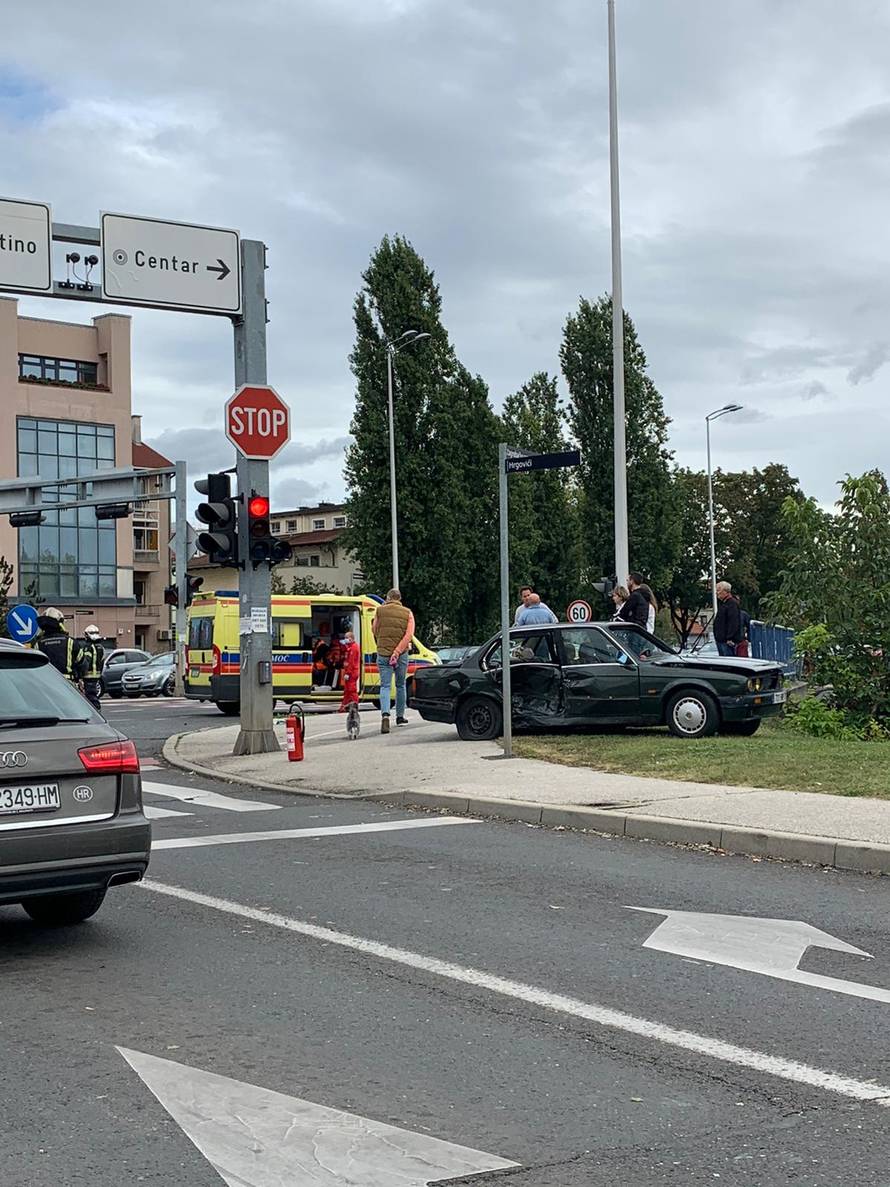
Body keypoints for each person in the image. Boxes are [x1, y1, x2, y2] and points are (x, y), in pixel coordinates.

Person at [372, 589, 415, 733]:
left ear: (388, 597)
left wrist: (382, 644)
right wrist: (397, 652)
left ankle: (385, 714)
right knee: (400, 685)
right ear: (400, 598)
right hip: (401, 654)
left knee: (385, 686)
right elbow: (409, 635)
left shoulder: (379, 610)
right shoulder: (407, 613)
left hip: (383, 652)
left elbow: (374, 629)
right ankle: (400, 716)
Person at [36, 607, 84, 685]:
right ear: (60, 623)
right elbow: (82, 663)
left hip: (45, 684)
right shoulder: (70, 641)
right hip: (67, 685)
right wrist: (78, 676)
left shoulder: (38, 644)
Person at [78, 623, 105, 711]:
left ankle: (96, 712)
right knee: (93, 696)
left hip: (88, 676)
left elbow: (85, 662)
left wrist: (80, 676)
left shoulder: (88, 647)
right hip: (96, 676)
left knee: (90, 697)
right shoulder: (101, 647)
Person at [714, 580, 742, 657]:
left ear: (725, 591)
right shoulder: (724, 604)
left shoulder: (732, 604)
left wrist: (729, 638)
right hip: (721, 640)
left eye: (718, 590)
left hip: (727, 641)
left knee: (729, 663)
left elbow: (733, 622)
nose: (717, 593)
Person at [338, 628, 361, 712]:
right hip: (350, 672)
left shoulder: (354, 648)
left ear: (351, 638)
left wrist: (348, 673)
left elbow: (351, 662)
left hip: (352, 672)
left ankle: (355, 705)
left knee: (351, 690)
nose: (345, 639)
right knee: (347, 690)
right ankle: (343, 706)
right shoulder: (351, 647)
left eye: (346, 638)